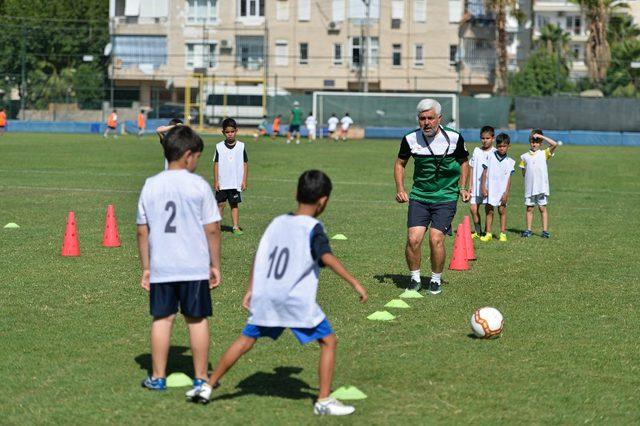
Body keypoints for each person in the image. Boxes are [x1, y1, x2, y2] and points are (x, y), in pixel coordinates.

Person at [185, 170, 368, 416]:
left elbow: (260, 255)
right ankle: (323, 400)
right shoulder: (314, 227)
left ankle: (207, 386)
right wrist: (354, 282)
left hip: (268, 297)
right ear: (323, 201)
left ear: (296, 194)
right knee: (328, 341)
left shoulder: (277, 222)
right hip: (294, 300)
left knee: (245, 341)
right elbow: (326, 257)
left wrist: (250, 288)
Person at [136, 125, 222, 392]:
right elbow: (212, 228)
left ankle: (158, 377)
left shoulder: (151, 185)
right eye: (197, 156)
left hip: (163, 266)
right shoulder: (199, 186)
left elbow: (142, 230)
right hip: (194, 267)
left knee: (162, 319)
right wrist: (215, 264)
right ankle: (200, 377)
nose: (197, 161)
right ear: (187, 155)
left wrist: (146, 267)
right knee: (196, 320)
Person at [394, 99, 470, 295]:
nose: (426, 122)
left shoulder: (454, 138)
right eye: (422, 118)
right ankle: (415, 278)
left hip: (445, 196)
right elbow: (400, 163)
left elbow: (464, 163)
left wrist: (463, 187)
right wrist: (400, 188)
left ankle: (435, 280)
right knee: (413, 239)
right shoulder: (410, 139)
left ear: (439, 118)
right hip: (419, 196)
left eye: (430, 118)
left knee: (436, 239)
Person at [519, 129, 558, 238]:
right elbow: (523, 172)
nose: (534, 144)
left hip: (541, 188)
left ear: (540, 143)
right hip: (530, 188)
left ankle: (545, 231)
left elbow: (554, 144)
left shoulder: (544, 153)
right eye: (532, 141)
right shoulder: (524, 156)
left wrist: (542, 136)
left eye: (536, 142)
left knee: (542, 208)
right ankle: (528, 230)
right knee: (529, 208)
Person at [214, 118, 248, 236]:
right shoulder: (219, 146)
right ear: (223, 132)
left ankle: (235, 226)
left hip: (235, 182)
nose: (230, 134)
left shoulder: (241, 146)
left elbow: (245, 163)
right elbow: (216, 163)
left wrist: (244, 180)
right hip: (223, 182)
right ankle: (217, 227)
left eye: (232, 131)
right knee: (220, 204)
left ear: (236, 131)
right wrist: (216, 181)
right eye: (227, 132)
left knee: (234, 204)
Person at [479, 133, 515, 242]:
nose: (502, 148)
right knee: (489, 211)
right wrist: (483, 187)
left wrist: (506, 193)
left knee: (502, 211)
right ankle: (488, 233)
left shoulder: (510, 162)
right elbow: (484, 173)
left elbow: (508, 179)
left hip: (502, 191)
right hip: (490, 189)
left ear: (508, 146)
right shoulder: (489, 156)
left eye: (504, 146)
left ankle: (502, 233)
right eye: (499, 146)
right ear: (497, 145)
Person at [468, 126, 495, 238]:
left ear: (493, 138)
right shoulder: (476, 150)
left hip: (489, 187)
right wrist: (470, 185)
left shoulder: (495, 152)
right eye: (483, 138)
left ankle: (488, 232)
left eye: (487, 138)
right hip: (475, 186)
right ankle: (478, 231)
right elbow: (471, 167)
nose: (485, 140)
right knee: (473, 209)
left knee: (489, 209)